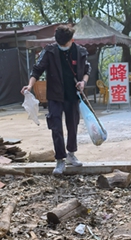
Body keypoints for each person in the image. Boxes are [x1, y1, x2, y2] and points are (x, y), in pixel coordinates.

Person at [22, 25, 89, 175]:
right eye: (59, 44)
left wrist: (83, 82)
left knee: (73, 125)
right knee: (56, 126)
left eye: (64, 44)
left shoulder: (80, 52)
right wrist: (30, 85)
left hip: (72, 95)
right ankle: (60, 160)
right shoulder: (50, 51)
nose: (62, 47)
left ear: (72, 40)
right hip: (55, 96)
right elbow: (37, 69)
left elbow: (86, 71)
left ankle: (71, 153)